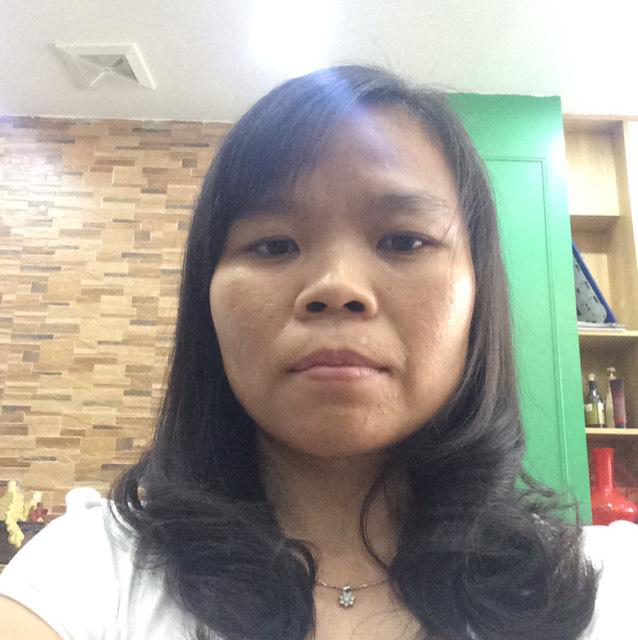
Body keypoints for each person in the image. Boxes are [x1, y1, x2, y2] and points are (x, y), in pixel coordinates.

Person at [0, 64, 635, 640]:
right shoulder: (83, 575)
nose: (337, 286)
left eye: (403, 240)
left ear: (478, 292)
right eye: (273, 245)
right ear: (207, 299)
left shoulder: (611, 588)